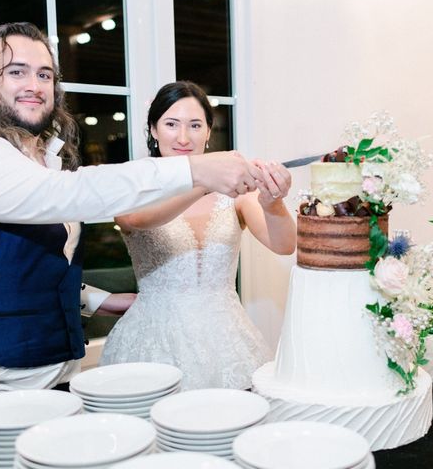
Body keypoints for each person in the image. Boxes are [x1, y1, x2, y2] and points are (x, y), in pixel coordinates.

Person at [0, 23, 263, 468]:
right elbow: (70, 195)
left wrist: (98, 299)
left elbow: (26, 263)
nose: (34, 85)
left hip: (52, 386)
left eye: (45, 74)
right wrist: (196, 172)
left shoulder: (43, 159)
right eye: (16, 72)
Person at [99, 81, 296, 390]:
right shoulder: (135, 184)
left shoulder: (234, 195)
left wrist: (273, 202)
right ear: (153, 130)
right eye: (171, 124)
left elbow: (284, 245)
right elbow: (136, 219)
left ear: (208, 132)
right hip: (153, 342)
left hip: (228, 342)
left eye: (194, 125)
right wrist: (204, 180)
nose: (182, 137)